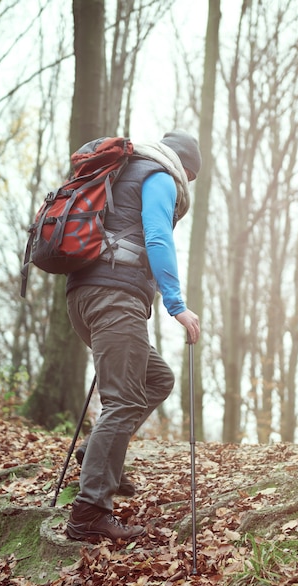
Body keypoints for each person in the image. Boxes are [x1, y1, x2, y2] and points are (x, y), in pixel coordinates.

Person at [65, 129, 202, 542]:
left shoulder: (122, 171)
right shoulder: (157, 176)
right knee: (123, 401)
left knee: (156, 378)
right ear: (184, 166)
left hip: (83, 297)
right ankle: (89, 512)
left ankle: (96, 452)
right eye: (190, 178)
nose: (187, 185)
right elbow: (157, 236)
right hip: (114, 298)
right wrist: (176, 304)